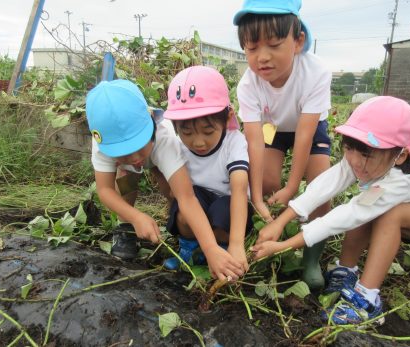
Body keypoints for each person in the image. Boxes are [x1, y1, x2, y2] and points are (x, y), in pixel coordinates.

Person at [252, 96, 410, 325]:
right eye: (349, 148)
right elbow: (325, 184)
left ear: (400, 155)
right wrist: (281, 221)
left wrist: (283, 245)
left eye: (366, 154)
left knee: (384, 212)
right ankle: (345, 271)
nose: (355, 161)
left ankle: (366, 299)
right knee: (368, 205)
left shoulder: (401, 179)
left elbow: (350, 214)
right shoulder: (364, 159)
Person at [86, 79, 244, 282]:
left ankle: (180, 233)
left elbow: (187, 197)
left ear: (151, 122)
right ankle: (125, 228)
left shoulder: (165, 138)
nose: (135, 158)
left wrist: (210, 248)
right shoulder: (104, 141)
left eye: (138, 148)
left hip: (157, 154)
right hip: (127, 167)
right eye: (124, 153)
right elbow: (105, 190)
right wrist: (135, 217)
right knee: (126, 179)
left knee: (172, 194)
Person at [233, 0, 333, 289]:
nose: (262, 57)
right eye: (252, 49)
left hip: (310, 128)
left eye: (274, 44)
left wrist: (292, 187)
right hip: (273, 129)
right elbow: (253, 140)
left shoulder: (316, 72)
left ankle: (311, 258)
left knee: (320, 188)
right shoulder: (248, 85)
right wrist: (256, 195)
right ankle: (259, 231)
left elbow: (304, 135)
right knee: (265, 180)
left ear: (298, 41)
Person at [162, 66, 252, 272]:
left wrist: (237, 245)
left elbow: (239, 189)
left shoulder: (234, 142)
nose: (198, 142)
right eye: (187, 133)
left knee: (223, 212)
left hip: (229, 204)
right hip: (197, 202)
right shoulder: (177, 146)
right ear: (176, 127)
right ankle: (190, 252)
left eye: (208, 131)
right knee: (184, 211)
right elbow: (179, 194)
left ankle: (222, 253)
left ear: (227, 117)